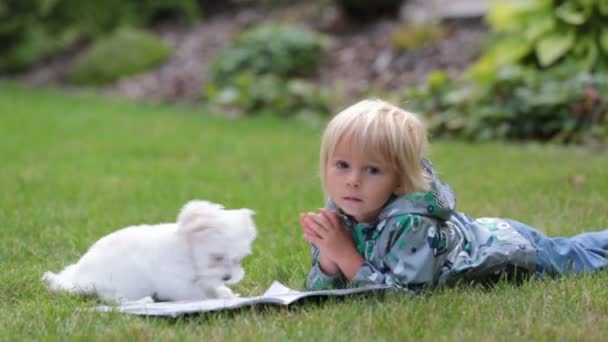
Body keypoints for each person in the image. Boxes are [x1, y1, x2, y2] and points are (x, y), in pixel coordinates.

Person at [300, 98, 608, 291]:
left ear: (398, 179)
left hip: (514, 252)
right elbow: (323, 289)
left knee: (580, 256)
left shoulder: (411, 223)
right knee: (577, 248)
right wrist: (329, 255)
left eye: (372, 170)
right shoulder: (342, 211)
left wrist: (344, 255)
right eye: (342, 165)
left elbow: (402, 295)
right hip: (491, 236)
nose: (352, 181)